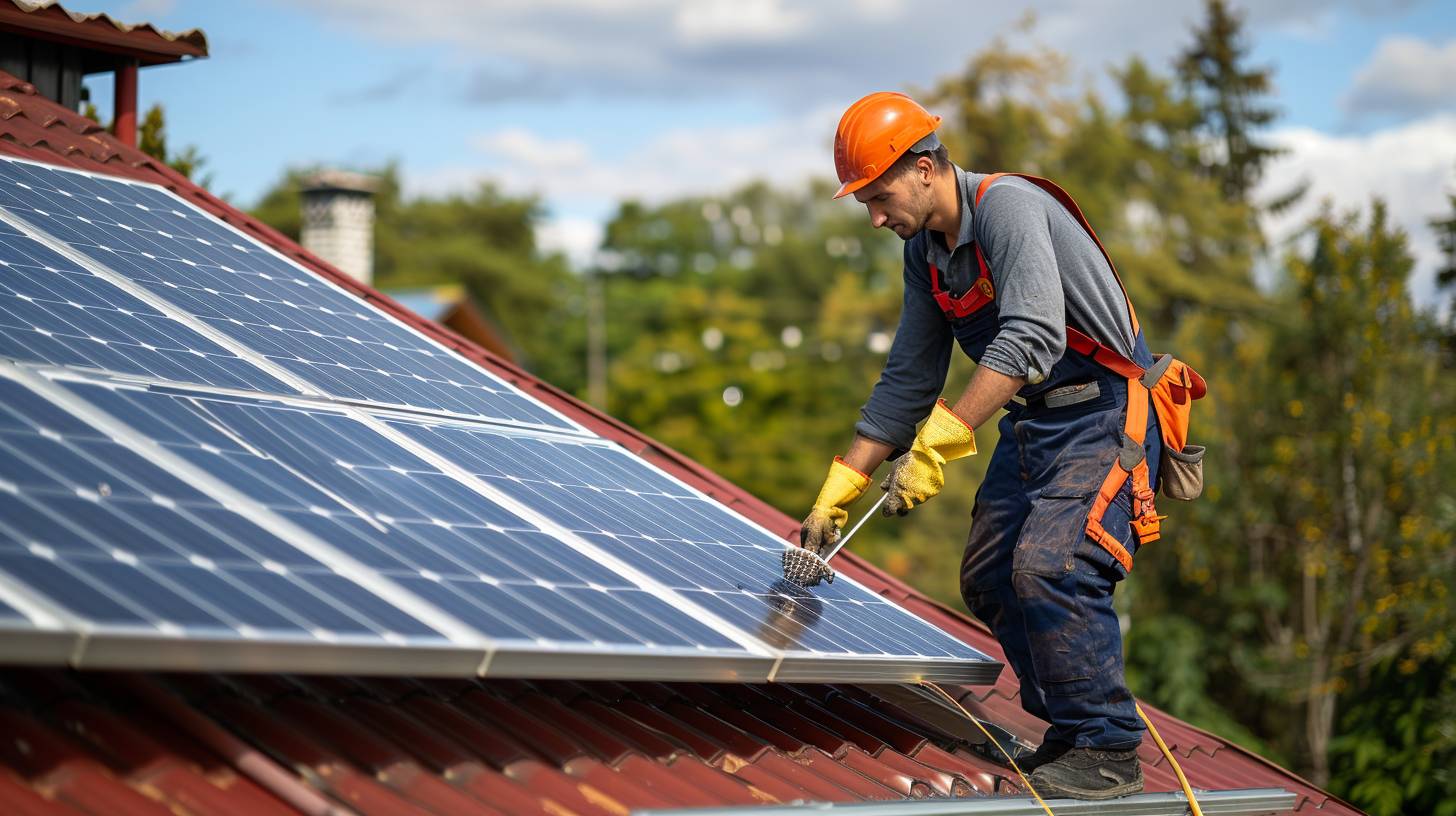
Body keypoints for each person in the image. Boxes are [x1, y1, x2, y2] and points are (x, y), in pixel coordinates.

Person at [796, 91, 1168, 801]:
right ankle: (1070, 730)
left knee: (1052, 567)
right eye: (864, 204)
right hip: (1035, 421)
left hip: (1105, 413)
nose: (876, 218)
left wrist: (940, 442)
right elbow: (909, 378)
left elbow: (1032, 335)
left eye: (880, 197)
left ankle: (1108, 747)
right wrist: (842, 483)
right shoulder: (925, 255)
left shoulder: (1009, 208)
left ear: (925, 168)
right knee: (991, 577)